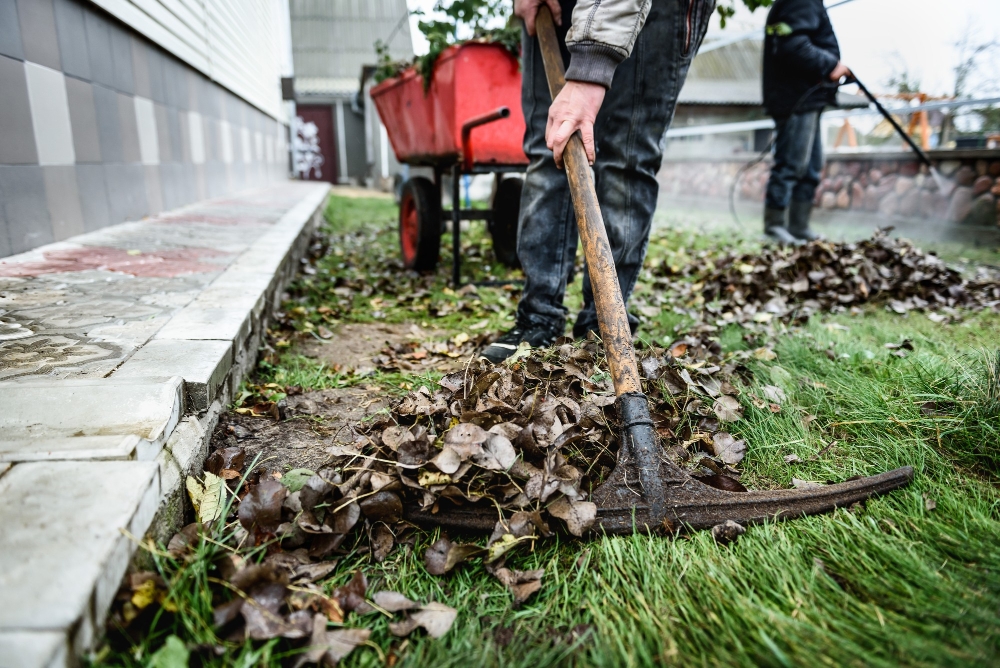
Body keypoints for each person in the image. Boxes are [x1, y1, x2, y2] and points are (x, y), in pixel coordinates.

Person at [481, 0, 715, 363]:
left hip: (660, 11)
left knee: (629, 157)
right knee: (551, 148)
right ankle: (538, 316)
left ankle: (604, 326)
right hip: (556, 9)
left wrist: (593, 63)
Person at [761, 0, 850, 244]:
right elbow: (793, 45)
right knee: (791, 164)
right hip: (795, 98)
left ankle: (799, 226)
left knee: (811, 166)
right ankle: (774, 226)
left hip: (808, 98)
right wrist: (832, 64)